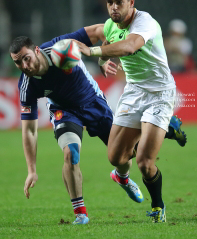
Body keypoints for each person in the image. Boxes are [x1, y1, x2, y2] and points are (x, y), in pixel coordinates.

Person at [10, 24, 186, 225]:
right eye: (18, 63)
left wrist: (102, 57)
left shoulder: (62, 45)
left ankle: (123, 176)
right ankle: (80, 214)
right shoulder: (27, 85)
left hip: (93, 103)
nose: (25, 66)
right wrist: (31, 170)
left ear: (37, 51)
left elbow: (101, 30)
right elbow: (30, 131)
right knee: (70, 153)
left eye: (27, 58)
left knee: (127, 154)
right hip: (64, 112)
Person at [76, 0, 185, 223]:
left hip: (159, 93)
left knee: (146, 162)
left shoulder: (144, 22)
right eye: (109, 2)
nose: (113, 7)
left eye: (119, 2)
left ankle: (158, 206)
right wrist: (104, 60)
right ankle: (168, 130)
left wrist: (93, 53)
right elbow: (107, 41)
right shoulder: (110, 24)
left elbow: (129, 46)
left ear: (131, 2)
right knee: (116, 157)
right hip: (134, 92)